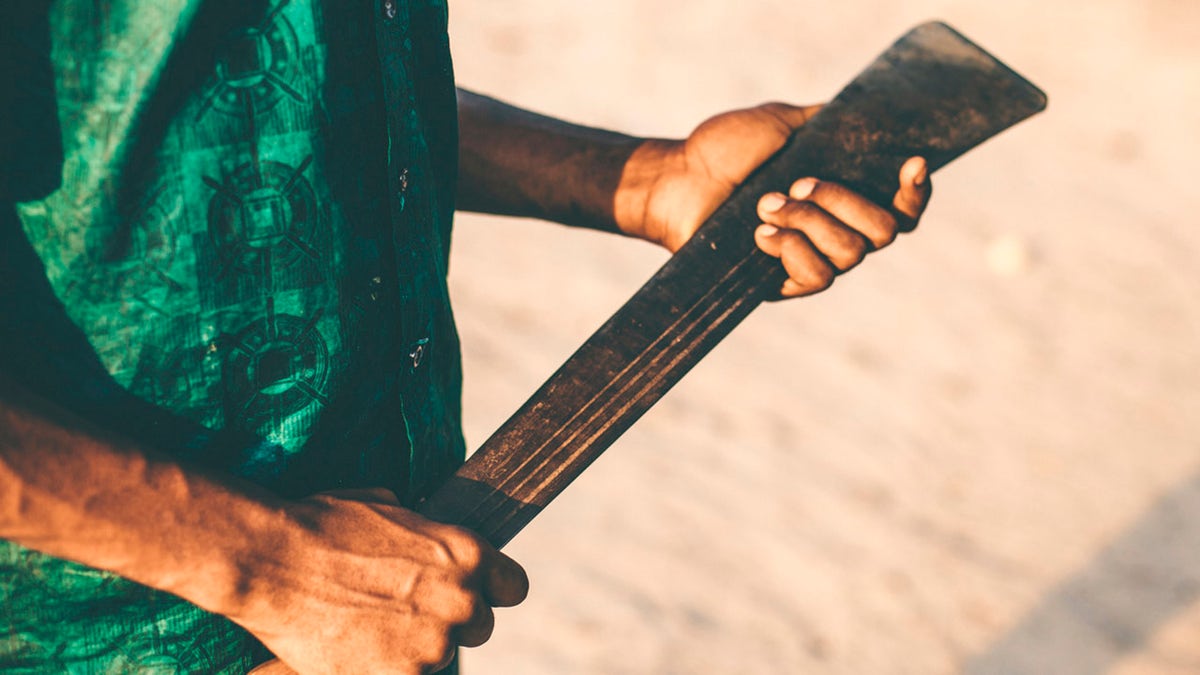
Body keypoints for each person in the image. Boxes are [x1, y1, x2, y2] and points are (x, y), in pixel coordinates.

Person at [0, 1, 930, 673]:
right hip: (112, 617)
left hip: (382, 578)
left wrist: (641, 179)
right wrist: (266, 561)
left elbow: (278, 86)